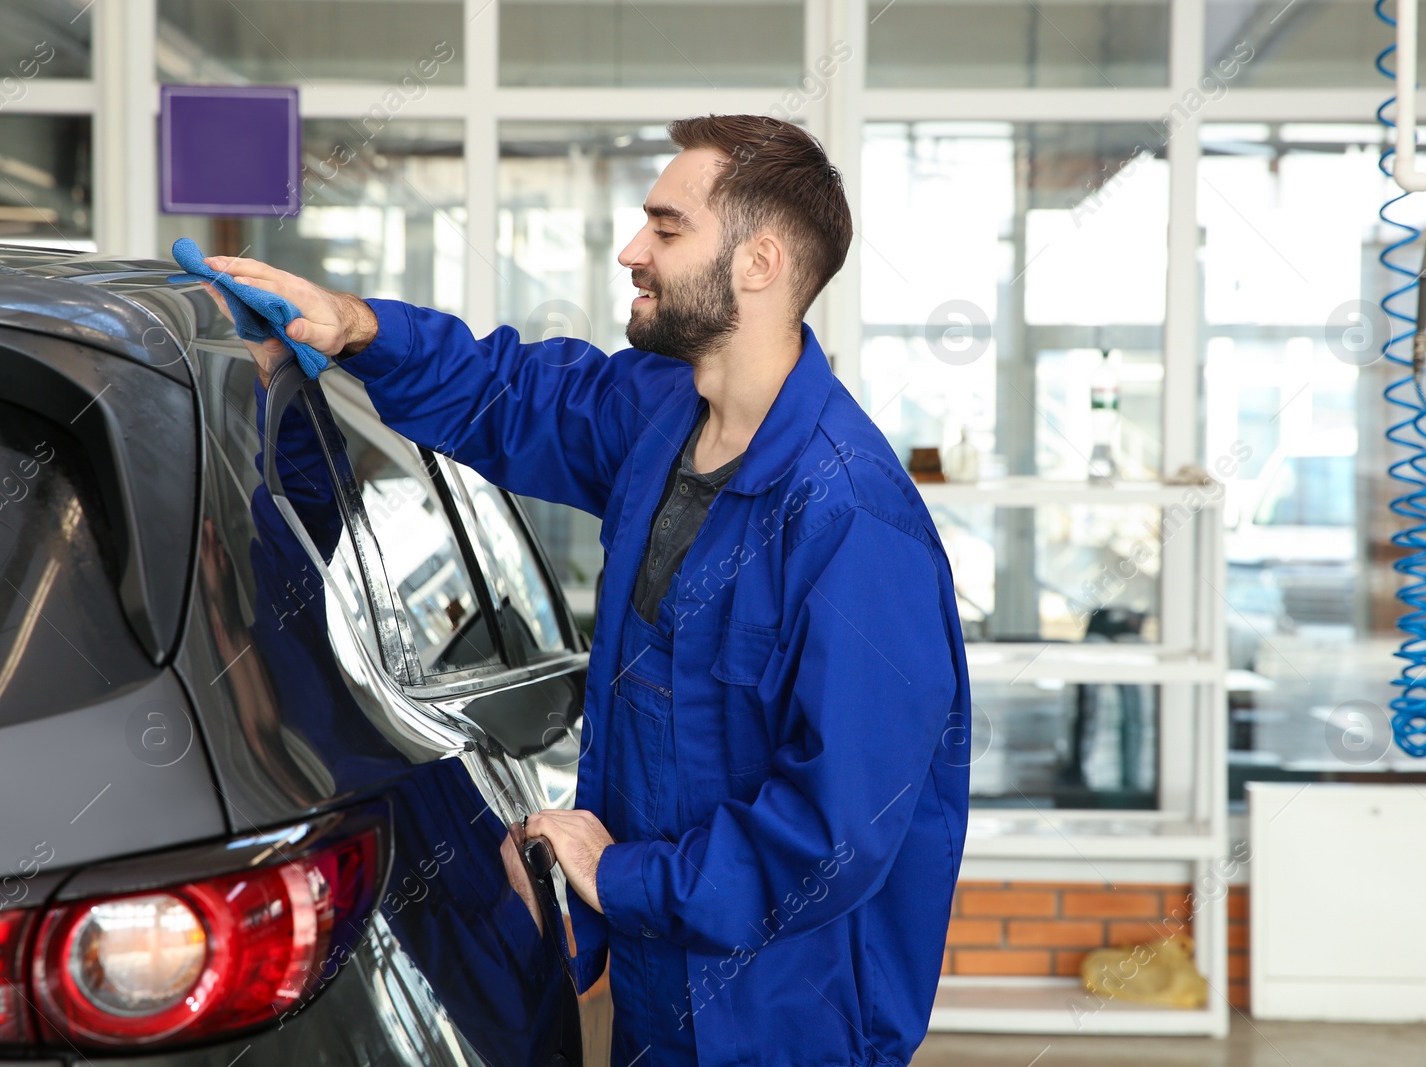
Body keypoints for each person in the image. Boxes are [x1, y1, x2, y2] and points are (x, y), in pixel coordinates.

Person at [200, 114, 970, 1067]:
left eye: (668, 227)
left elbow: (836, 833)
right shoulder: (662, 415)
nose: (632, 249)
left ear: (760, 261)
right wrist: (360, 329)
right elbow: (512, 393)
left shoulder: (853, 520)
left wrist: (618, 874)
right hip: (659, 986)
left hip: (783, 1020)